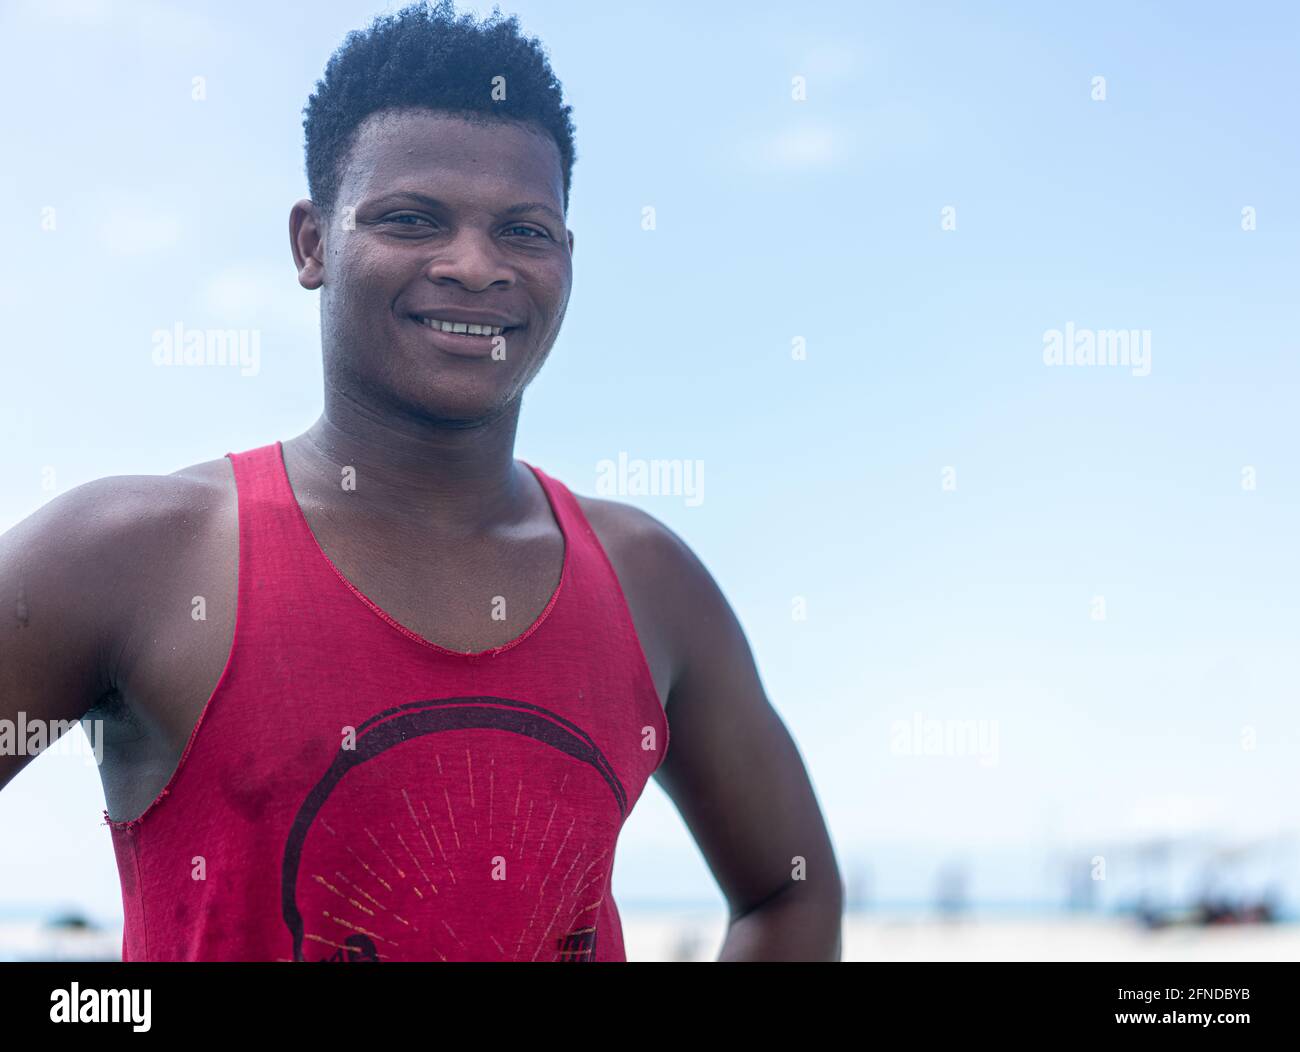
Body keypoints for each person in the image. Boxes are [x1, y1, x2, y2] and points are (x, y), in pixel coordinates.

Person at [0, 0, 841, 962]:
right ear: (312, 243)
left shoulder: (649, 580)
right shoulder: (134, 556)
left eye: (525, 231)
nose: (475, 267)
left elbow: (789, 893)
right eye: (412, 218)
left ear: (568, 257)